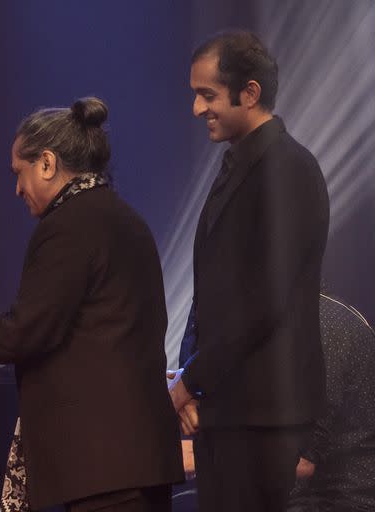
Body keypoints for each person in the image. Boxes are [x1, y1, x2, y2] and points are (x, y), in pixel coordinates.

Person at [0, 97, 184, 511]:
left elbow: (30, 330)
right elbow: (67, 322)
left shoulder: (68, 224)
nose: (17, 188)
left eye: (19, 173)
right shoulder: (122, 217)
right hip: (135, 460)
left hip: (101, 465)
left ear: (47, 163)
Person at [166, 31, 330, 512]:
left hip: (262, 413)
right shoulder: (241, 164)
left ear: (250, 92)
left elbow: (262, 302)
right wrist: (193, 379)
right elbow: (213, 290)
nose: (197, 109)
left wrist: (191, 383)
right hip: (231, 407)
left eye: (207, 95)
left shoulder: (289, 170)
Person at [288, 293, 375, 511]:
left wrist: (210, 458)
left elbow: (302, 462)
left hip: (341, 502)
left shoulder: (321, 327)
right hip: (311, 496)